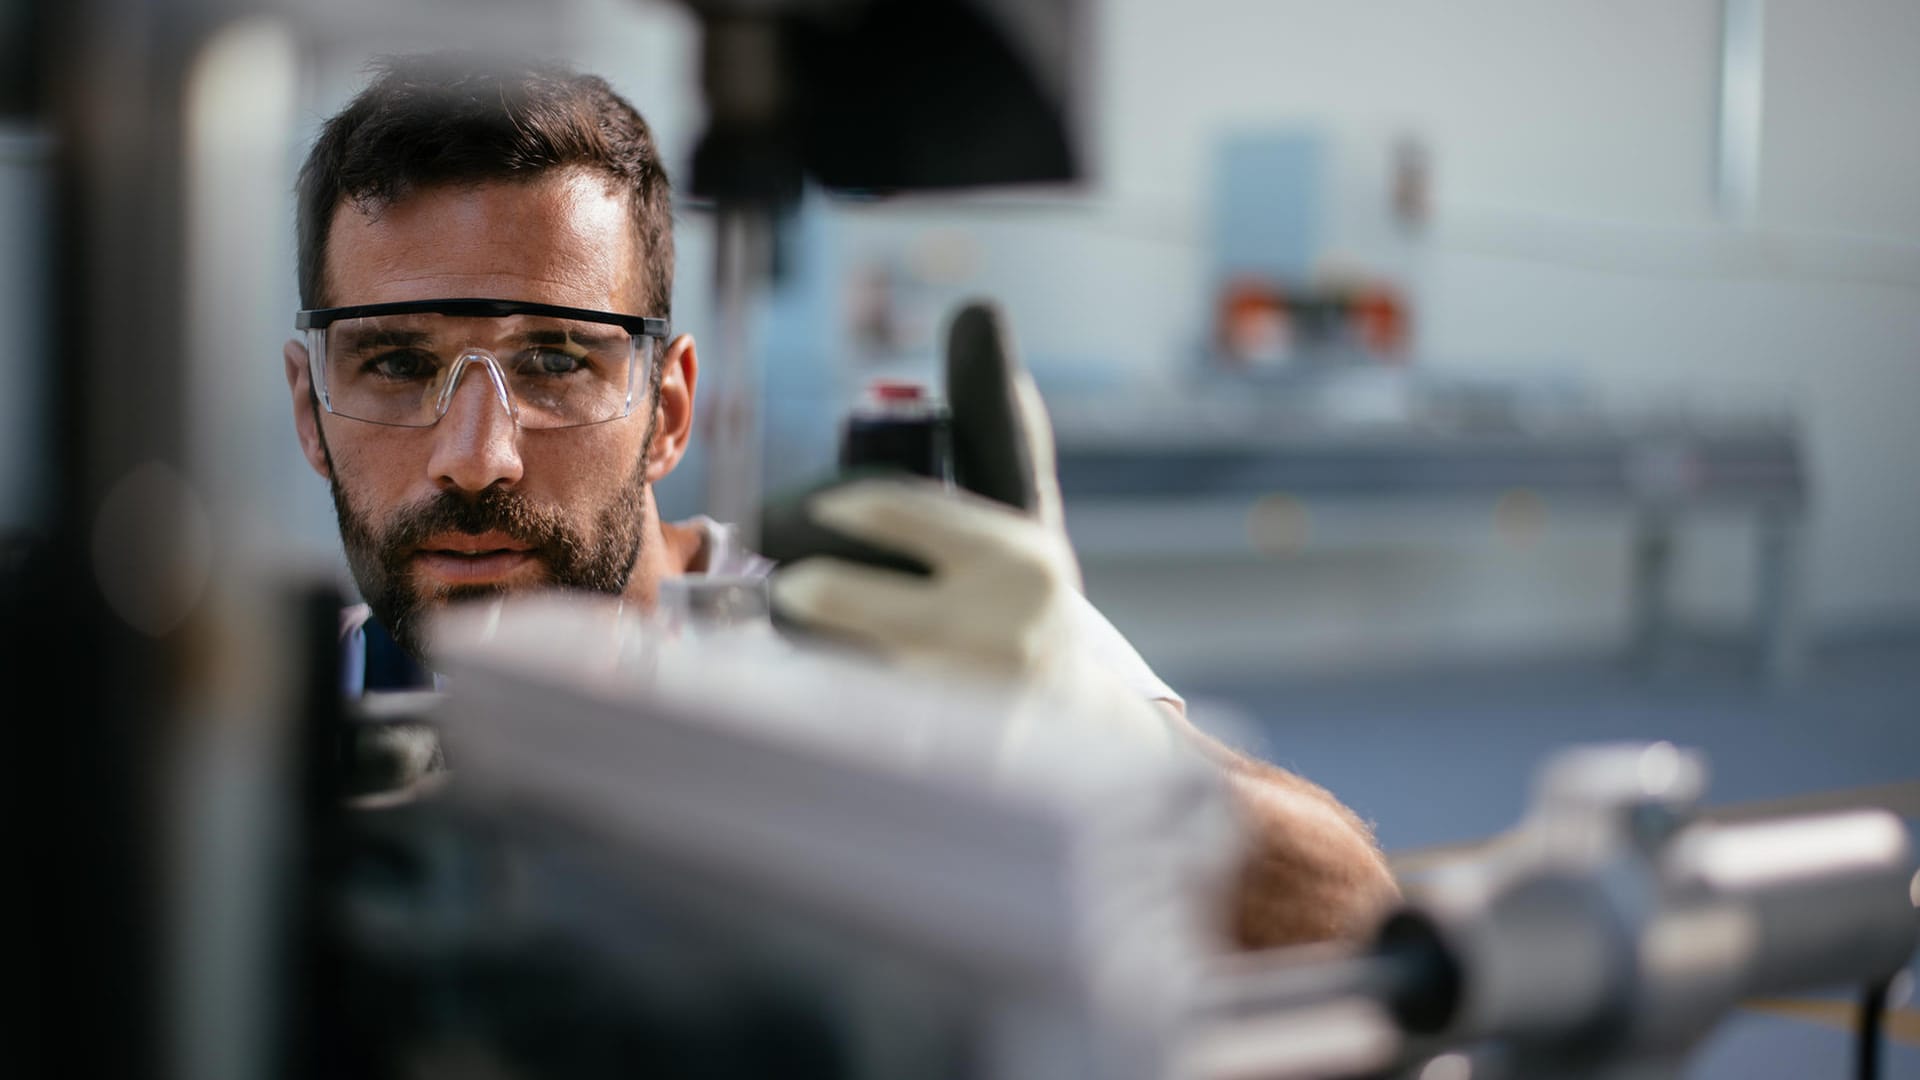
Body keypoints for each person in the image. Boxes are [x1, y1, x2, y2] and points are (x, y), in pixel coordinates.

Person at [284, 54, 1398, 948]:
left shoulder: (878, 640)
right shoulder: (261, 748)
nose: (477, 459)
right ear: (309, 410)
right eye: (394, 364)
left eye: (556, 362)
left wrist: (1081, 733)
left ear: (670, 412)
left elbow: (1353, 923)